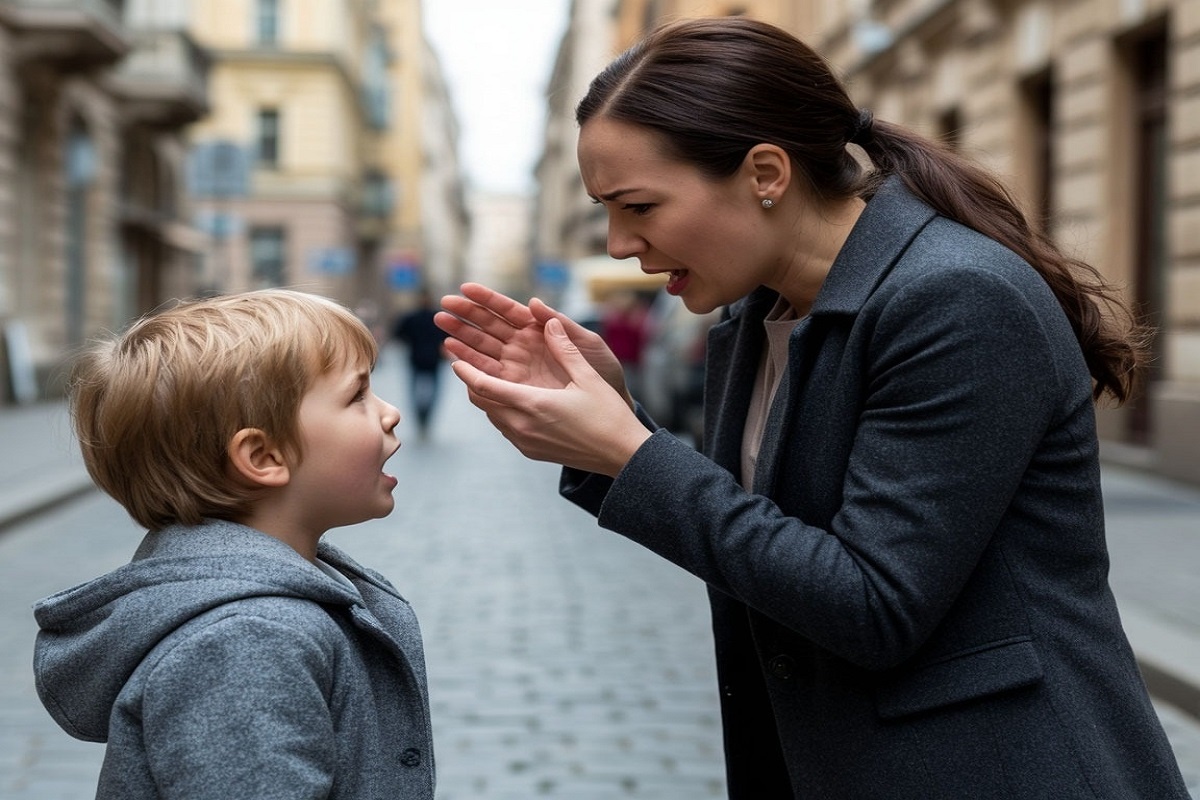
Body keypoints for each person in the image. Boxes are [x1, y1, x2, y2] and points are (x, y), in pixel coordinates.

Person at [435, 16, 1188, 800]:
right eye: (606, 211)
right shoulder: (755, 320)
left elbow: (873, 603)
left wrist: (632, 454)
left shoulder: (954, 298)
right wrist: (616, 430)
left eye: (640, 206)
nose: (622, 242)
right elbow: (773, 550)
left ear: (765, 172)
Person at [32, 289, 434, 799]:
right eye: (357, 396)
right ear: (263, 456)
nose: (390, 412)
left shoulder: (283, 605)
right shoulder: (248, 640)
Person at [392, 289, 450, 439]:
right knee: (432, 392)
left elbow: (399, 335)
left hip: (418, 359)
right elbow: (448, 337)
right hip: (432, 360)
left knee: (417, 392)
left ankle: (421, 416)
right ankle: (424, 416)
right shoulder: (437, 318)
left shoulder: (412, 317)